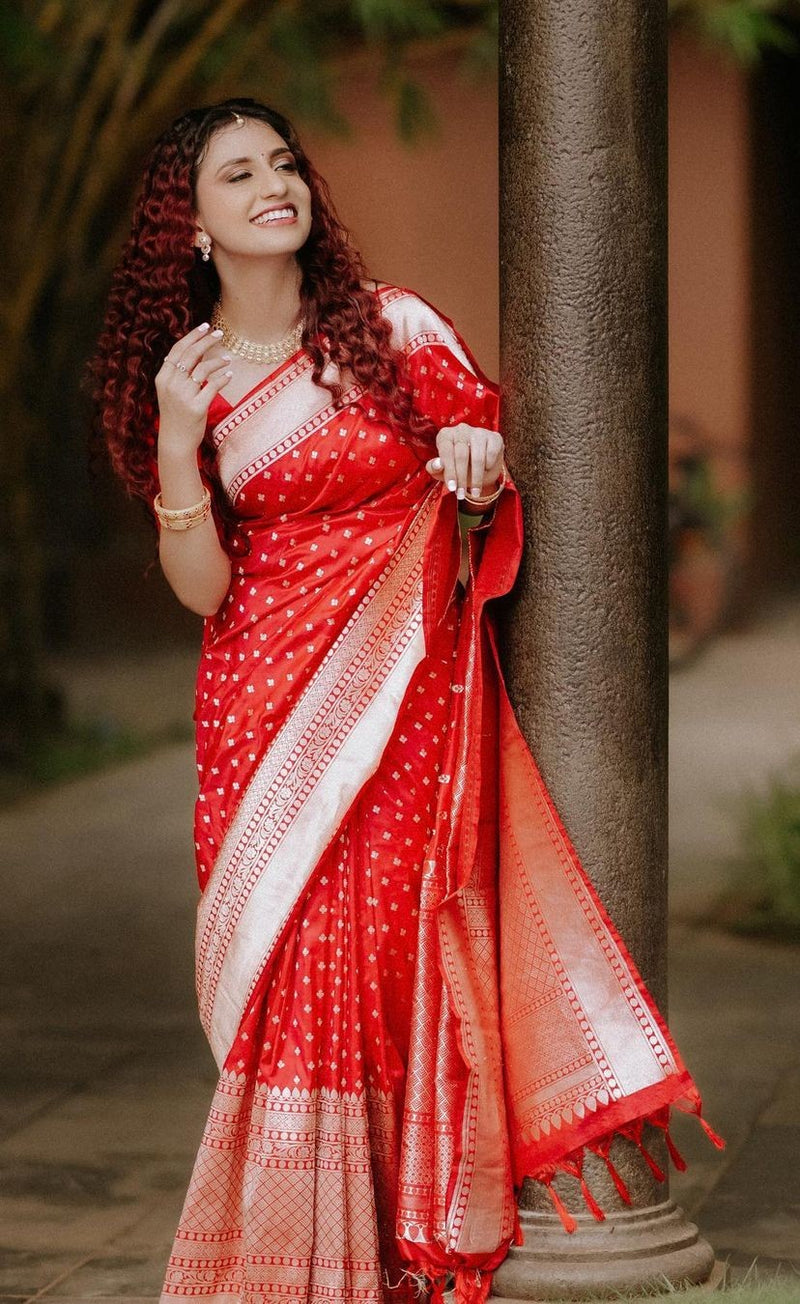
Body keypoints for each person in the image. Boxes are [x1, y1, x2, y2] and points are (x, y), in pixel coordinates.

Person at [89, 98, 722, 1304]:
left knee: (379, 960)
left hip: (402, 703)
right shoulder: (191, 382)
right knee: (287, 970)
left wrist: (475, 469)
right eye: (238, 174)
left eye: (284, 161)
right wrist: (178, 443)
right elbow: (204, 586)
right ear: (193, 227)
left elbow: (472, 460)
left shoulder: (392, 330)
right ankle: (292, 1254)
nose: (276, 183)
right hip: (263, 711)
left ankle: (385, 1248)